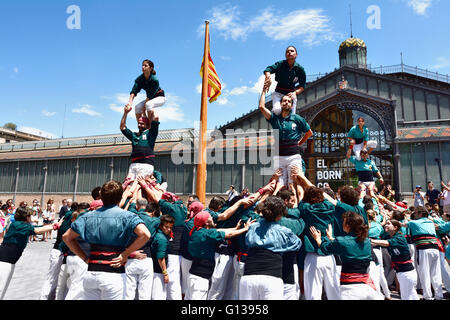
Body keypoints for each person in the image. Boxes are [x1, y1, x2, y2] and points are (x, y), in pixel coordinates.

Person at [62, 180, 151, 300]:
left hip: (91, 273)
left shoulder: (87, 216)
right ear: (120, 198)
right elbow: (145, 234)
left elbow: (66, 237)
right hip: (114, 273)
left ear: (102, 197)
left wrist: (84, 257)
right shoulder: (126, 216)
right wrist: (125, 254)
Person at [309, 211, 383, 300]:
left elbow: (325, 248)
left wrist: (317, 238)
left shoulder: (342, 241)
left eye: (343, 222)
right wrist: (331, 238)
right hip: (367, 287)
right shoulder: (366, 241)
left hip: (349, 290)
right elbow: (348, 243)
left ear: (348, 225)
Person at [239, 196, 302, 300]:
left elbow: (247, 241)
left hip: (249, 275)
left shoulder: (252, 227)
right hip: (272, 277)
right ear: (279, 215)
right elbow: (297, 244)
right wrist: (281, 247)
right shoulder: (284, 232)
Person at [185, 211, 255, 300]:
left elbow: (219, 231)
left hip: (192, 275)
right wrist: (245, 229)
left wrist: (236, 228)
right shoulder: (207, 234)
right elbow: (228, 235)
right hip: (200, 279)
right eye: (210, 217)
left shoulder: (197, 231)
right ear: (206, 222)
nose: (212, 218)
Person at [258, 84, 313, 187]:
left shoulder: (297, 118)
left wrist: (299, 143)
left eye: (289, 101)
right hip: (279, 156)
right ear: (280, 103)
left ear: (292, 105)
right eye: (284, 101)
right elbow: (261, 107)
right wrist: (264, 91)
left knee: (294, 183)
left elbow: (309, 132)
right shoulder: (275, 118)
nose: (287, 102)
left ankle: (296, 202)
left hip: (294, 155)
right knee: (280, 184)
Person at [0, 207, 55, 299]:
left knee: (3, 288)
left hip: (9, 259)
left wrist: (54, 225)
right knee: (1, 287)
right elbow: (37, 231)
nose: (32, 218)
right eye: (30, 216)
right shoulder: (19, 225)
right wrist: (54, 226)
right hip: (5, 259)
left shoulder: (21, 225)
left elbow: (37, 228)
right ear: (26, 217)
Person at [370, 219, 419, 300]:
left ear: (395, 227)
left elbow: (386, 243)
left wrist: (370, 240)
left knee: (407, 297)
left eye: (389, 224)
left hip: (407, 273)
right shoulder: (390, 236)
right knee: (412, 296)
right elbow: (382, 241)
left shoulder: (399, 238)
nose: (386, 225)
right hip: (402, 272)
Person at [406, 206, 443, 300]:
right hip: (435, 248)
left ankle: (427, 296)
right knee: (436, 272)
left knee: (424, 272)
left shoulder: (413, 222)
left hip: (424, 248)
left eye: (416, 213)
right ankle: (439, 295)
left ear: (420, 214)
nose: (415, 214)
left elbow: (403, 224)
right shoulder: (431, 222)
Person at [120, 104, 160, 188]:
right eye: (138, 123)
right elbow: (122, 127)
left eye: (142, 124)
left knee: (140, 187)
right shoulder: (134, 136)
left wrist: (150, 106)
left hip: (145, 165)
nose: (139, 125)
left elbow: (156, 118)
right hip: (133, 165)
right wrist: (125, 113)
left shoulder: (151, 134)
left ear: (147, 125)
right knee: (128, 187)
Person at [263, 46, 306, 115]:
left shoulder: (300, 70)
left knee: (292, 116)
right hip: (278, 93)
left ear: (296, 55)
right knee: (277, 111)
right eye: (287, 51)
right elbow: (268, 69)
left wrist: (295, 93)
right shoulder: (280, 64)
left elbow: (302, 86)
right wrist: (268, 77)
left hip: (291, 95)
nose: (289, 52)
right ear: (285, 55)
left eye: (292, 51)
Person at [150, 214, 174, 300]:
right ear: (161, 226)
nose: (168, 229)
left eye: (170, 227)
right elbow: (161, 258)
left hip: (156, 271)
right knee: (158, 296)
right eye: (166, 227)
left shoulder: (160, 235)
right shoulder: (162, 239)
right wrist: (165, 273)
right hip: (158, 272)